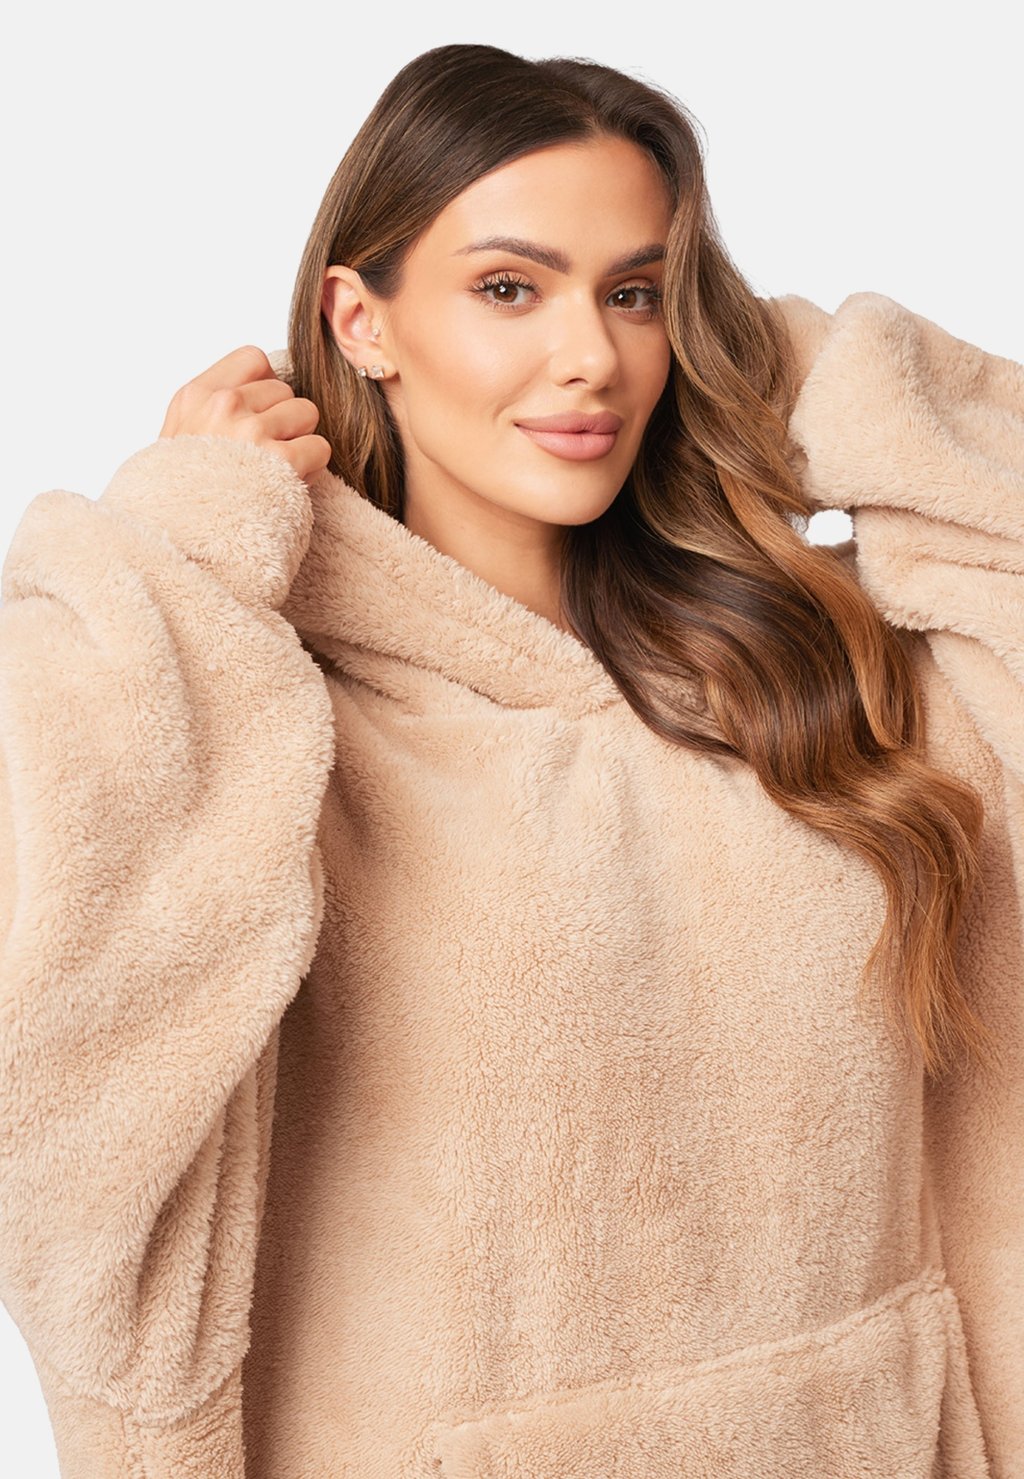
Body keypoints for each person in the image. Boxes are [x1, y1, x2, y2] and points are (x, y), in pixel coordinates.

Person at [0, 41, 1020, 1479]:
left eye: (635, 293)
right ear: (362, 320)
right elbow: (55, 1028)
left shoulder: (813, 671)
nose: (590, 356)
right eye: (508, 289)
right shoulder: (271, 725)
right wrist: (180, 548)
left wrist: (817, 373)